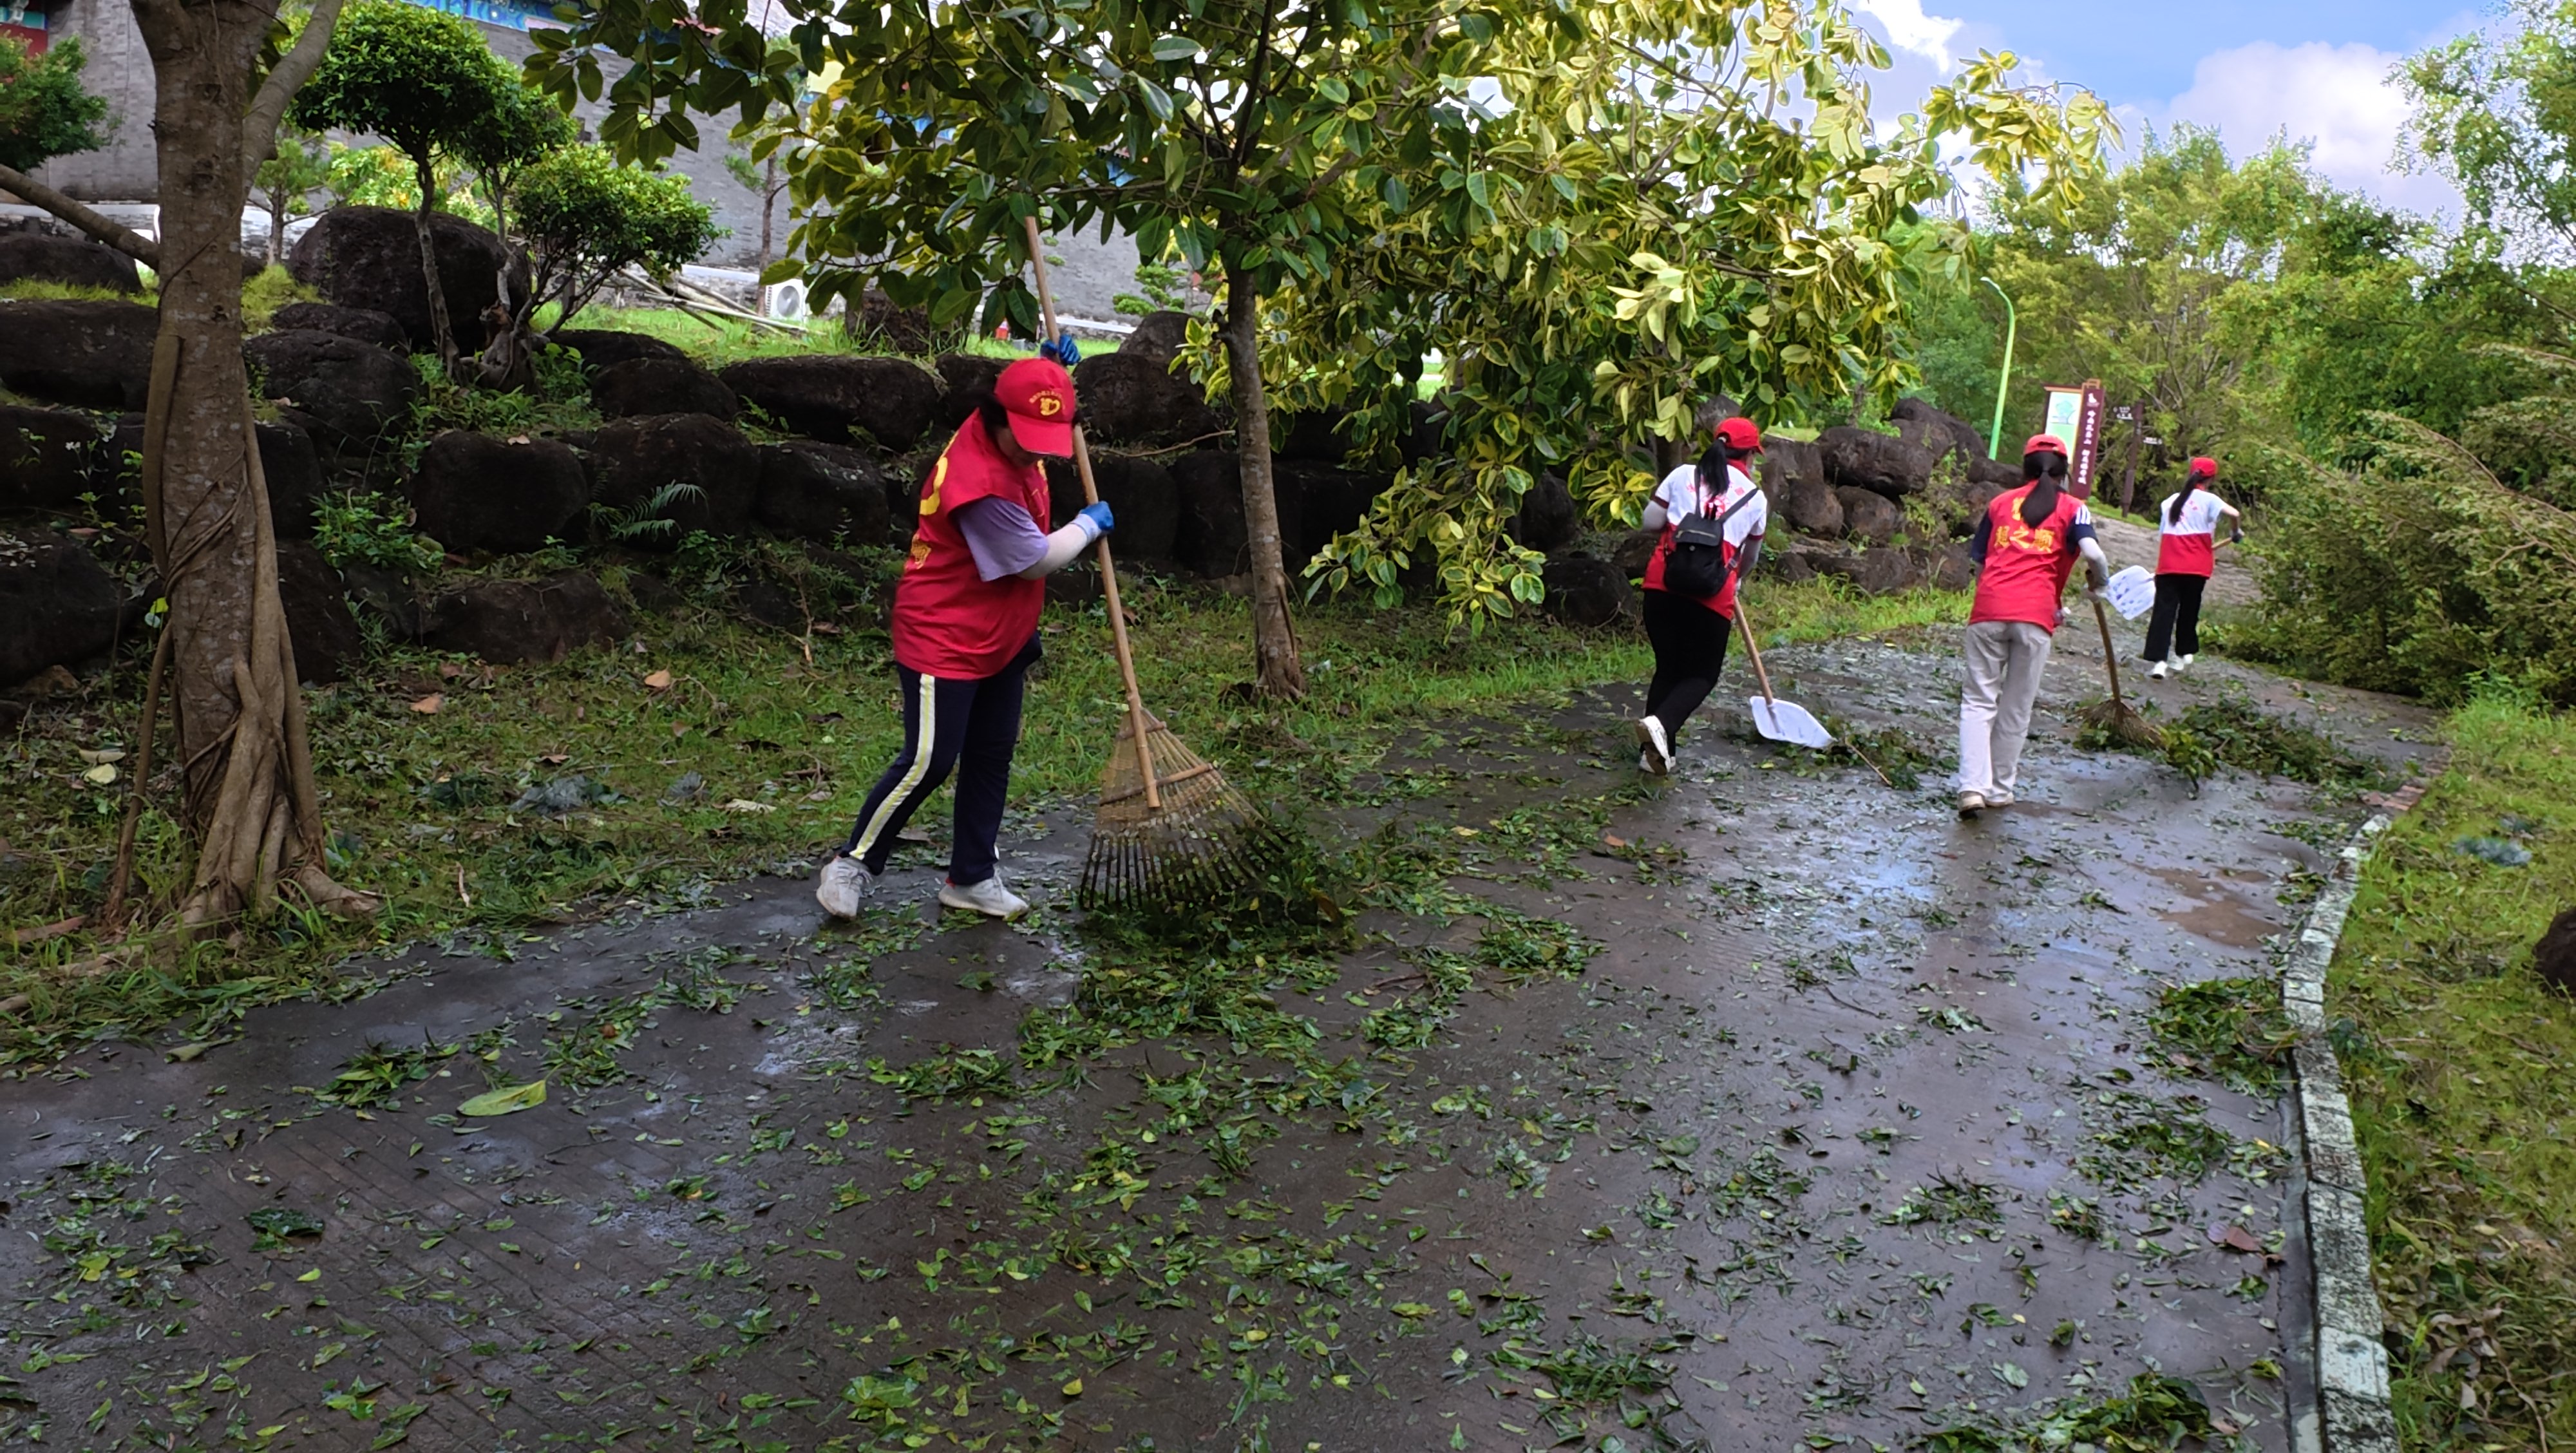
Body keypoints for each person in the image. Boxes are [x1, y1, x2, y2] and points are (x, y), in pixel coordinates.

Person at [813, 356, 1113, 920]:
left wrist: (1049, 375)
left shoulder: (1007, 428)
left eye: (1045, 439)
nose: (1034, 452)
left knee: (991, 754)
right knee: (930, 759)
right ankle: (853, 863)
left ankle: (971, 877)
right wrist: (1087, 525)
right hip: (944, 632)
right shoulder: (979, 483)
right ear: (994, 418)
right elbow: (1034, 560)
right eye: (1025, 438)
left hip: (1003, 631)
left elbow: (1030, 401)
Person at [1956, 433, 2111, 819]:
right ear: (2064, 471)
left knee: (1978, 702)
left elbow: (1981, 562)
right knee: (2016, 707)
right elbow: (2093, 553)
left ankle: (1971, 788)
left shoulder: (1999, 504)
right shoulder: (2074, 508)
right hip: (2036, 617)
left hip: (1988, 612)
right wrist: (2101, 585)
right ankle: (1999, 789)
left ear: (2025, 468)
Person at [1633, 415, 1769, 775]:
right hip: (1711, 598)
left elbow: (1649, 522)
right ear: (1750, 455)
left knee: (1669, 668)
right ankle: (1661, 725)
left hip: (1662, 587)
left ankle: (1654, 757)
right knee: (1702, 675)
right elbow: (1750, 559)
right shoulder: (1755, 498)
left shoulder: (1682, 475)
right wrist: (1736, 578)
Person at [2143, 455, 2241, 679]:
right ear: (2212, 479)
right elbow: (2235, 513)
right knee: (2189, 610)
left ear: (2191, 473)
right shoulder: (2210, 500)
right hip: (2197, 566)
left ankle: (2159, 663)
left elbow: (2163, 534)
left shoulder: (2170, 502)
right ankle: (2182, 655)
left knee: (2164, 612)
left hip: (2169, 563)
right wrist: (2235, 532)